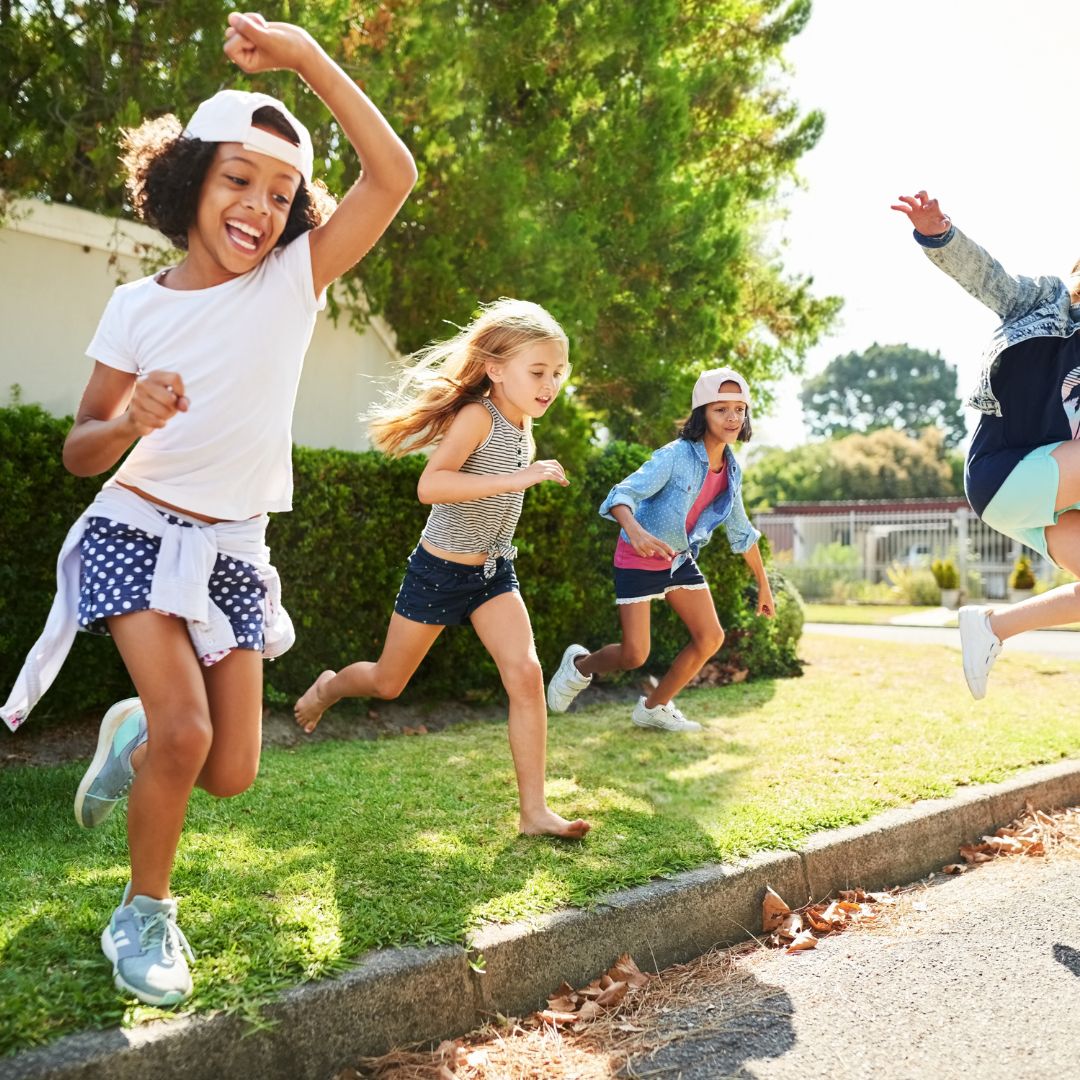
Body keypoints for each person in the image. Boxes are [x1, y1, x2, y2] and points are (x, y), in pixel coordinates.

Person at [1, 13, 417, 1006]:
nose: (259, 208)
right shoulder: (137, 308)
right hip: (132, 531)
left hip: (232, 551)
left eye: (282, 193)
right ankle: (143, 915)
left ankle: (127, 735)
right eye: (239, 180)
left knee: (228, 771)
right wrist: (131, 419)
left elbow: (392, 177)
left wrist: (305, 56)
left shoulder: (292, 281)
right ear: (188, 179)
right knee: (189, 735)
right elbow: (79, 449)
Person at [293, 298, 591, 841]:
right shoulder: (480, 416)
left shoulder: (523, 418)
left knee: (525, 675)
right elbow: (432, 485)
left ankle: (534, 813)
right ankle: (329, 688)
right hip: (439, 573)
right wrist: (519, 480)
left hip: (493, 575)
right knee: (388, 683)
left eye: (558, 373)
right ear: (496, 369)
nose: (550, 384)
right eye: (538, 372)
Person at [893, 189, 1080, 700]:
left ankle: (992, 627)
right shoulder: (1048, 304)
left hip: (1050, 498)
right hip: (1005, 474)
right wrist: (940, 235)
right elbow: (990, 278)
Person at [546, 369, 774, 729]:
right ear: (702, 413)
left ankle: (654, 707)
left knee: (710, 636)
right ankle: (578, 667)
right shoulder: (675, 455)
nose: (732, 418)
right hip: (638, 558)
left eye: (739, 409)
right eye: (721, 410)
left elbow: (741, 530)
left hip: (679, 561)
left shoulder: (731, 470)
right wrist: (634, 531)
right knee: (635, 655)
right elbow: (621, 495)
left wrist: (763, 583)